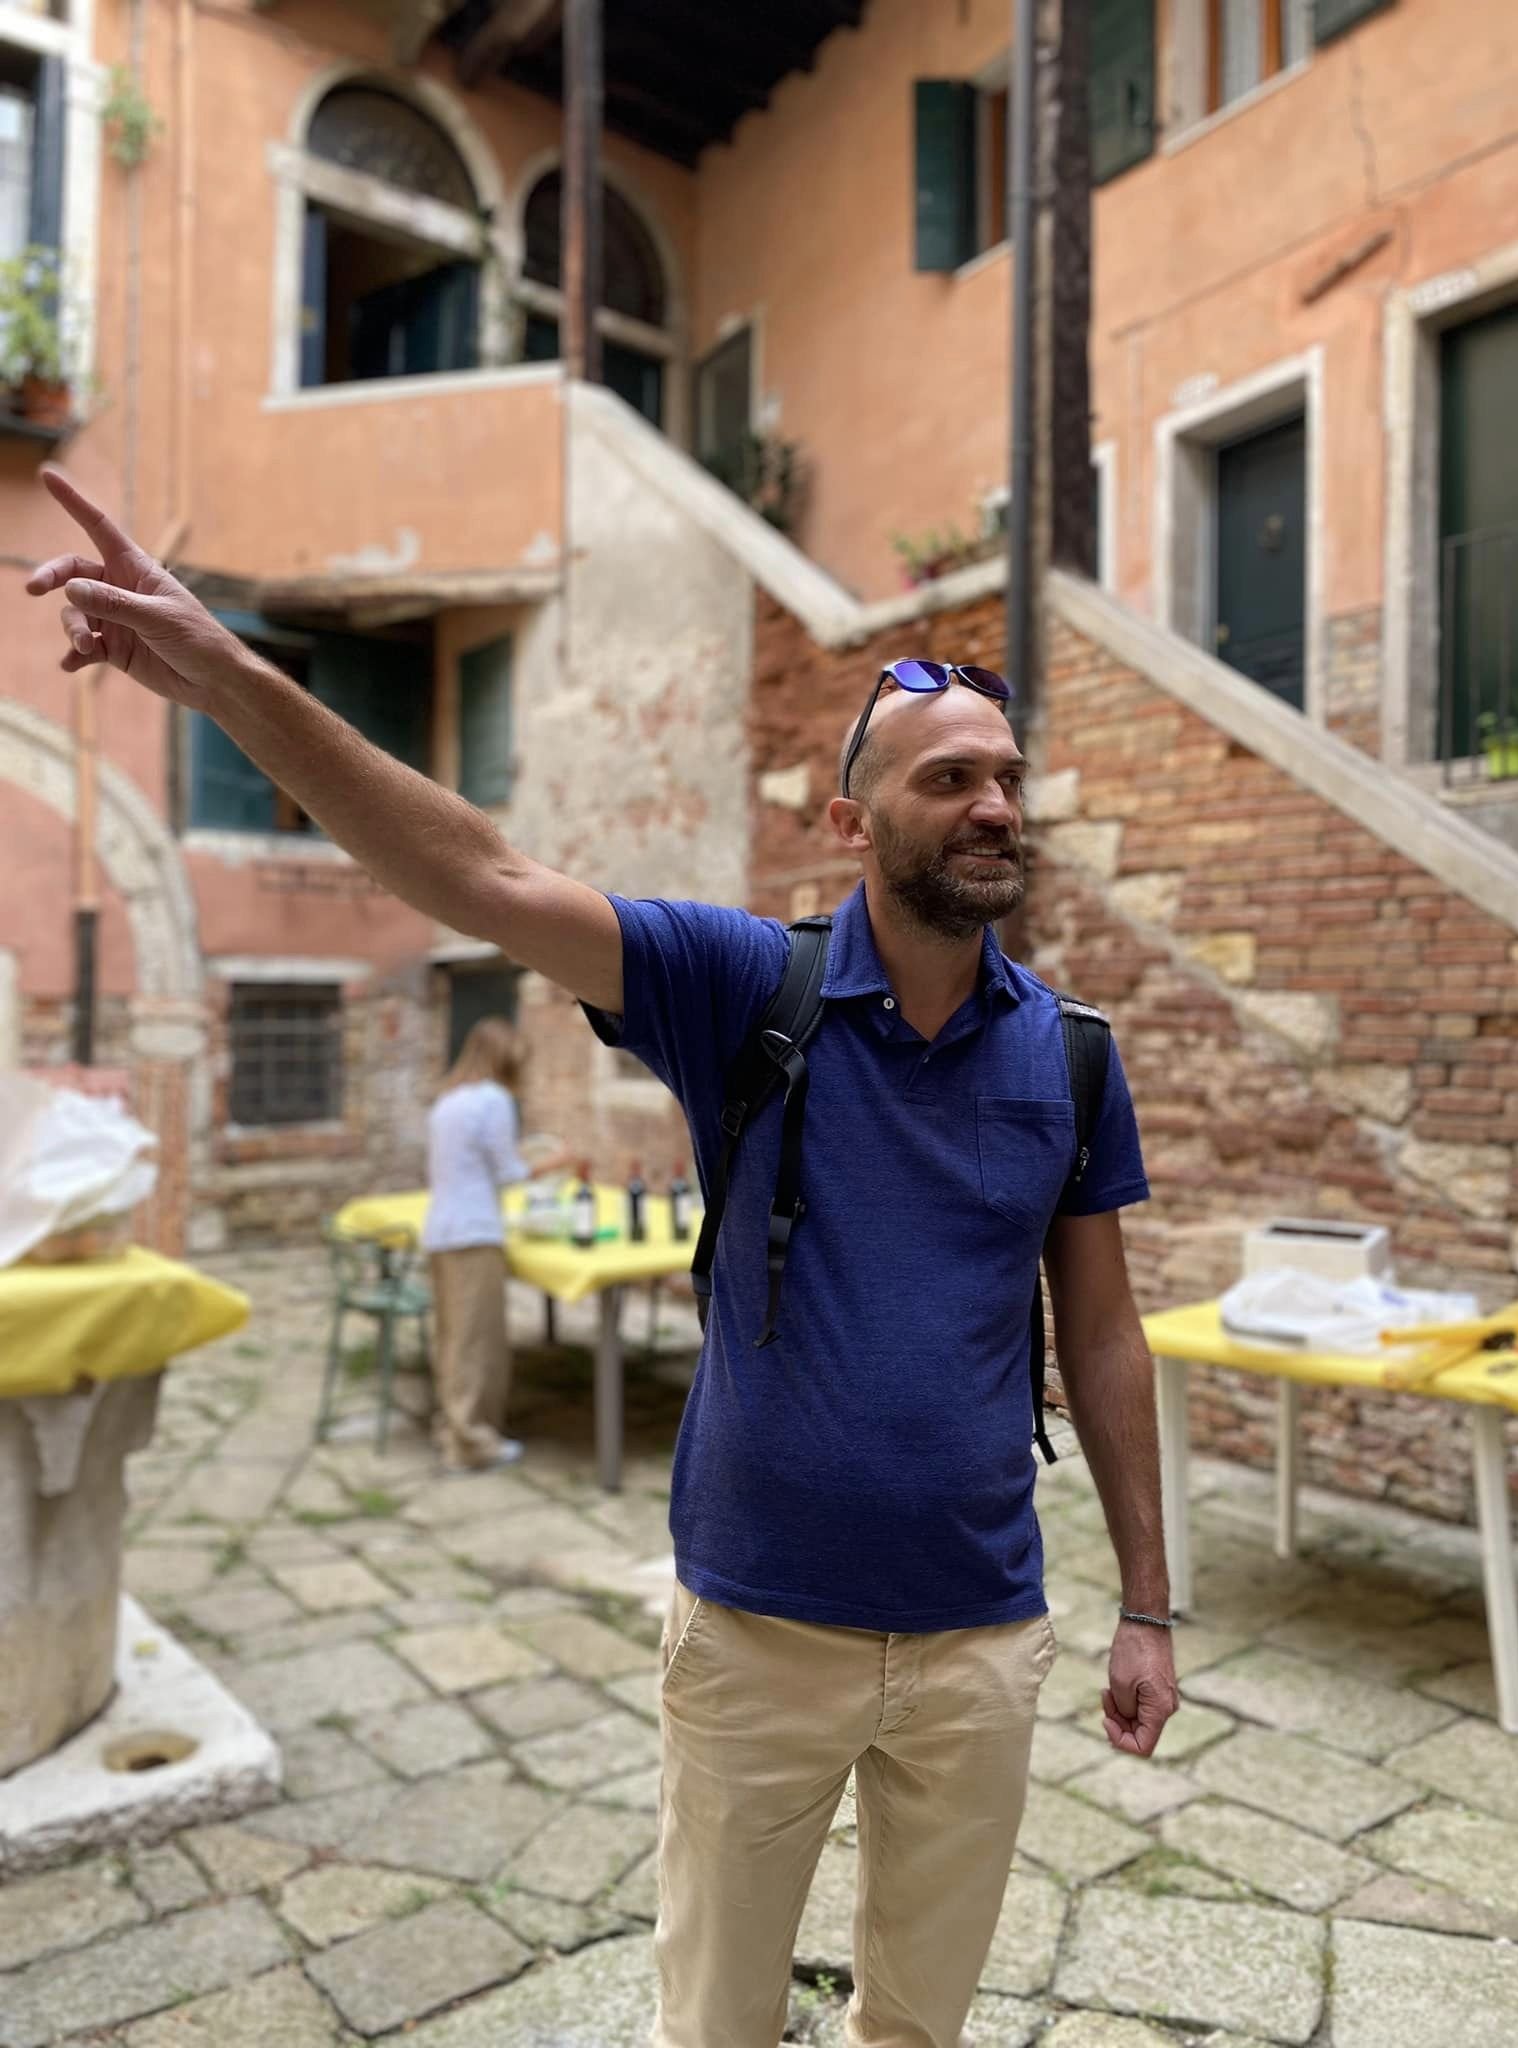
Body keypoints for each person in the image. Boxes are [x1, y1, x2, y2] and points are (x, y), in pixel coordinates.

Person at [31, 473, 1179, 2048]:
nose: (995, 806)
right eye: (947, 780)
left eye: (1006, 777)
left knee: (923, 2025)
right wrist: (228, 673)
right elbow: (481, 876)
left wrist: (1150, 1607)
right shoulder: (741, 988)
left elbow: (1105, 1336)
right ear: (852, 824)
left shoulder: (1078, 1058)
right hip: (761, 1631)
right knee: (712, 2022)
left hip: (984, 1632)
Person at [422, 1014, 563, 1472]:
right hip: (473, 1232)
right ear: (504, 1059)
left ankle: (452, 1428)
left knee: (452, 1340)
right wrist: (555, 1160)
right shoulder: (494, 1101)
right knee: (477, 1344)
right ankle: (473, 1443)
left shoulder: (448, 1100)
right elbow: (509, 1172)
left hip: (442, 1230)